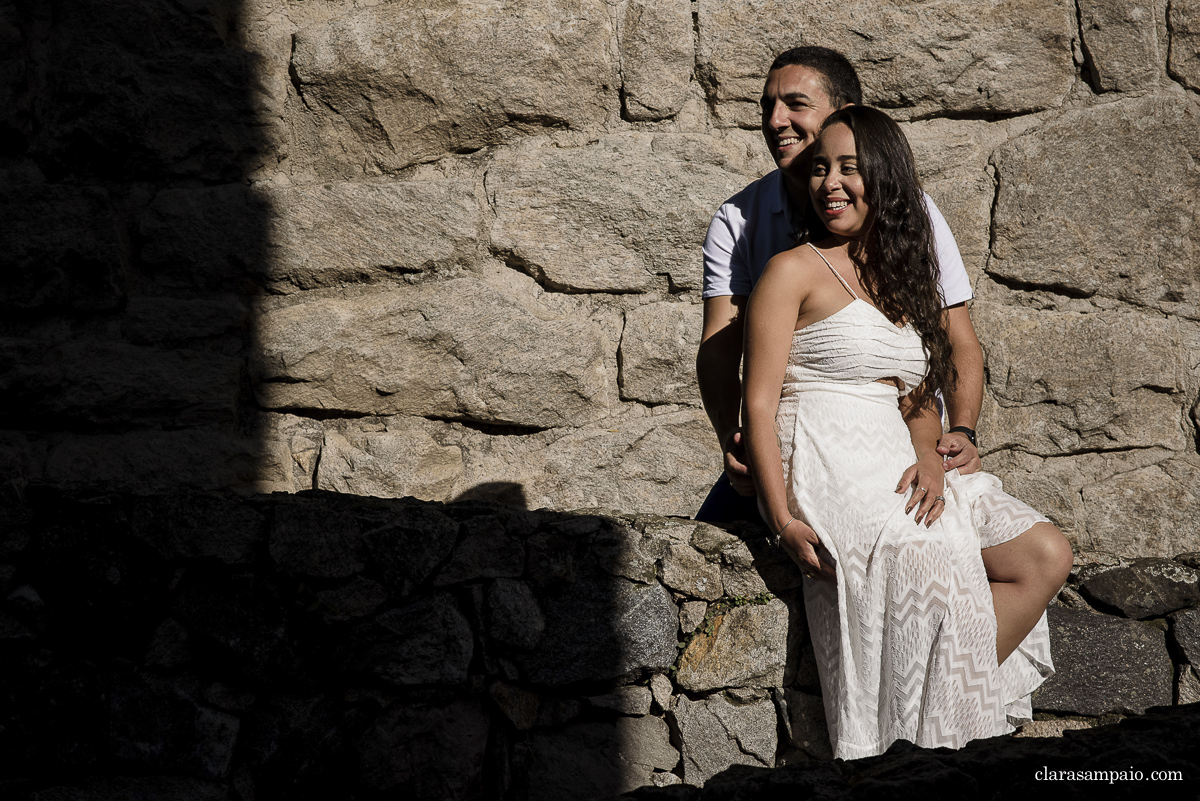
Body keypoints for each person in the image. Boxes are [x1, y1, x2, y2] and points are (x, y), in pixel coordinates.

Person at [696, 46, 1072, 683]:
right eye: (766, 106)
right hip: (802, 437)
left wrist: (956, 437)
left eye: (795, 104)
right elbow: (721, 350)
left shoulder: (911, 222)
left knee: (1014, 552)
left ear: (847, 115)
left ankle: (940, 704)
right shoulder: (741, 219)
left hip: (893, 440)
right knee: (698, 563)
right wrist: (735, 448)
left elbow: (945, 349)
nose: (774, 120)